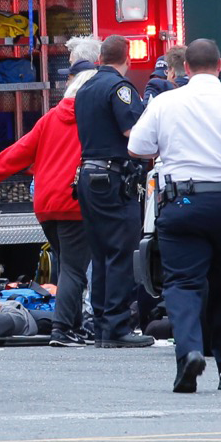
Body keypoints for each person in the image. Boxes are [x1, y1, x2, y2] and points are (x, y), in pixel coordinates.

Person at [127, 38, 221, 393]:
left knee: (183, 283)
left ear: (186, 69)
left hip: (182, 204)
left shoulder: (166, 102)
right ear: (220, 67)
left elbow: (137, 147)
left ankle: (190, 353)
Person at [0, 35, 102, 346]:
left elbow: (20, 150)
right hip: (74, 200)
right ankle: (63, 330)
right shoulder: (95, 118)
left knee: (66, 264)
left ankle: (71, 326)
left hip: (45, 203)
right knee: (75, 268)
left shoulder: (51, 118)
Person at [71, 34, 154, 349]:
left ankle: (104, 324)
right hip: (113, 179)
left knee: (102, 252)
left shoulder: (85, 87)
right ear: (127, 58)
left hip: (89, 178)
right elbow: (132, 133)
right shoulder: (120, 88)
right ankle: (118, 326)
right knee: (121, 251)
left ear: (100, 57)